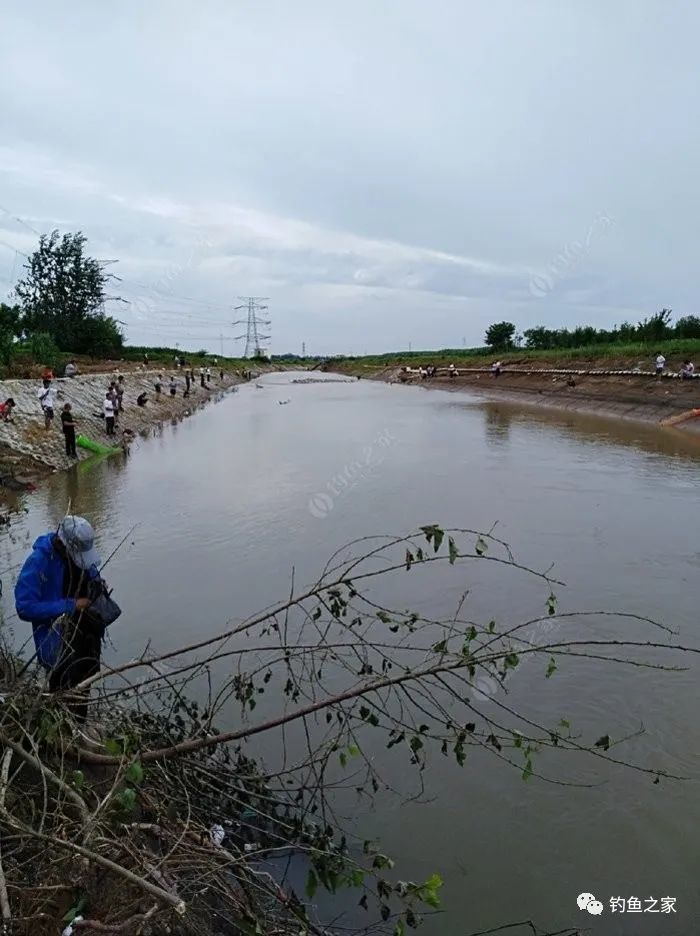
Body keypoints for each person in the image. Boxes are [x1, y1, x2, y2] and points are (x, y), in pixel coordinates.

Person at [14, 516, 115, 722]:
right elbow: (24, 607)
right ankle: (61, 738)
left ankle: (80, 729)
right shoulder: (39, 561)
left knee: (84, 688)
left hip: (87, 639)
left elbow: (91, 572)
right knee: (62, 696)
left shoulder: (82, 559)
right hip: (58, 644)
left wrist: (98, 587)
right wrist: (71, 605)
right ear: (64, 544)